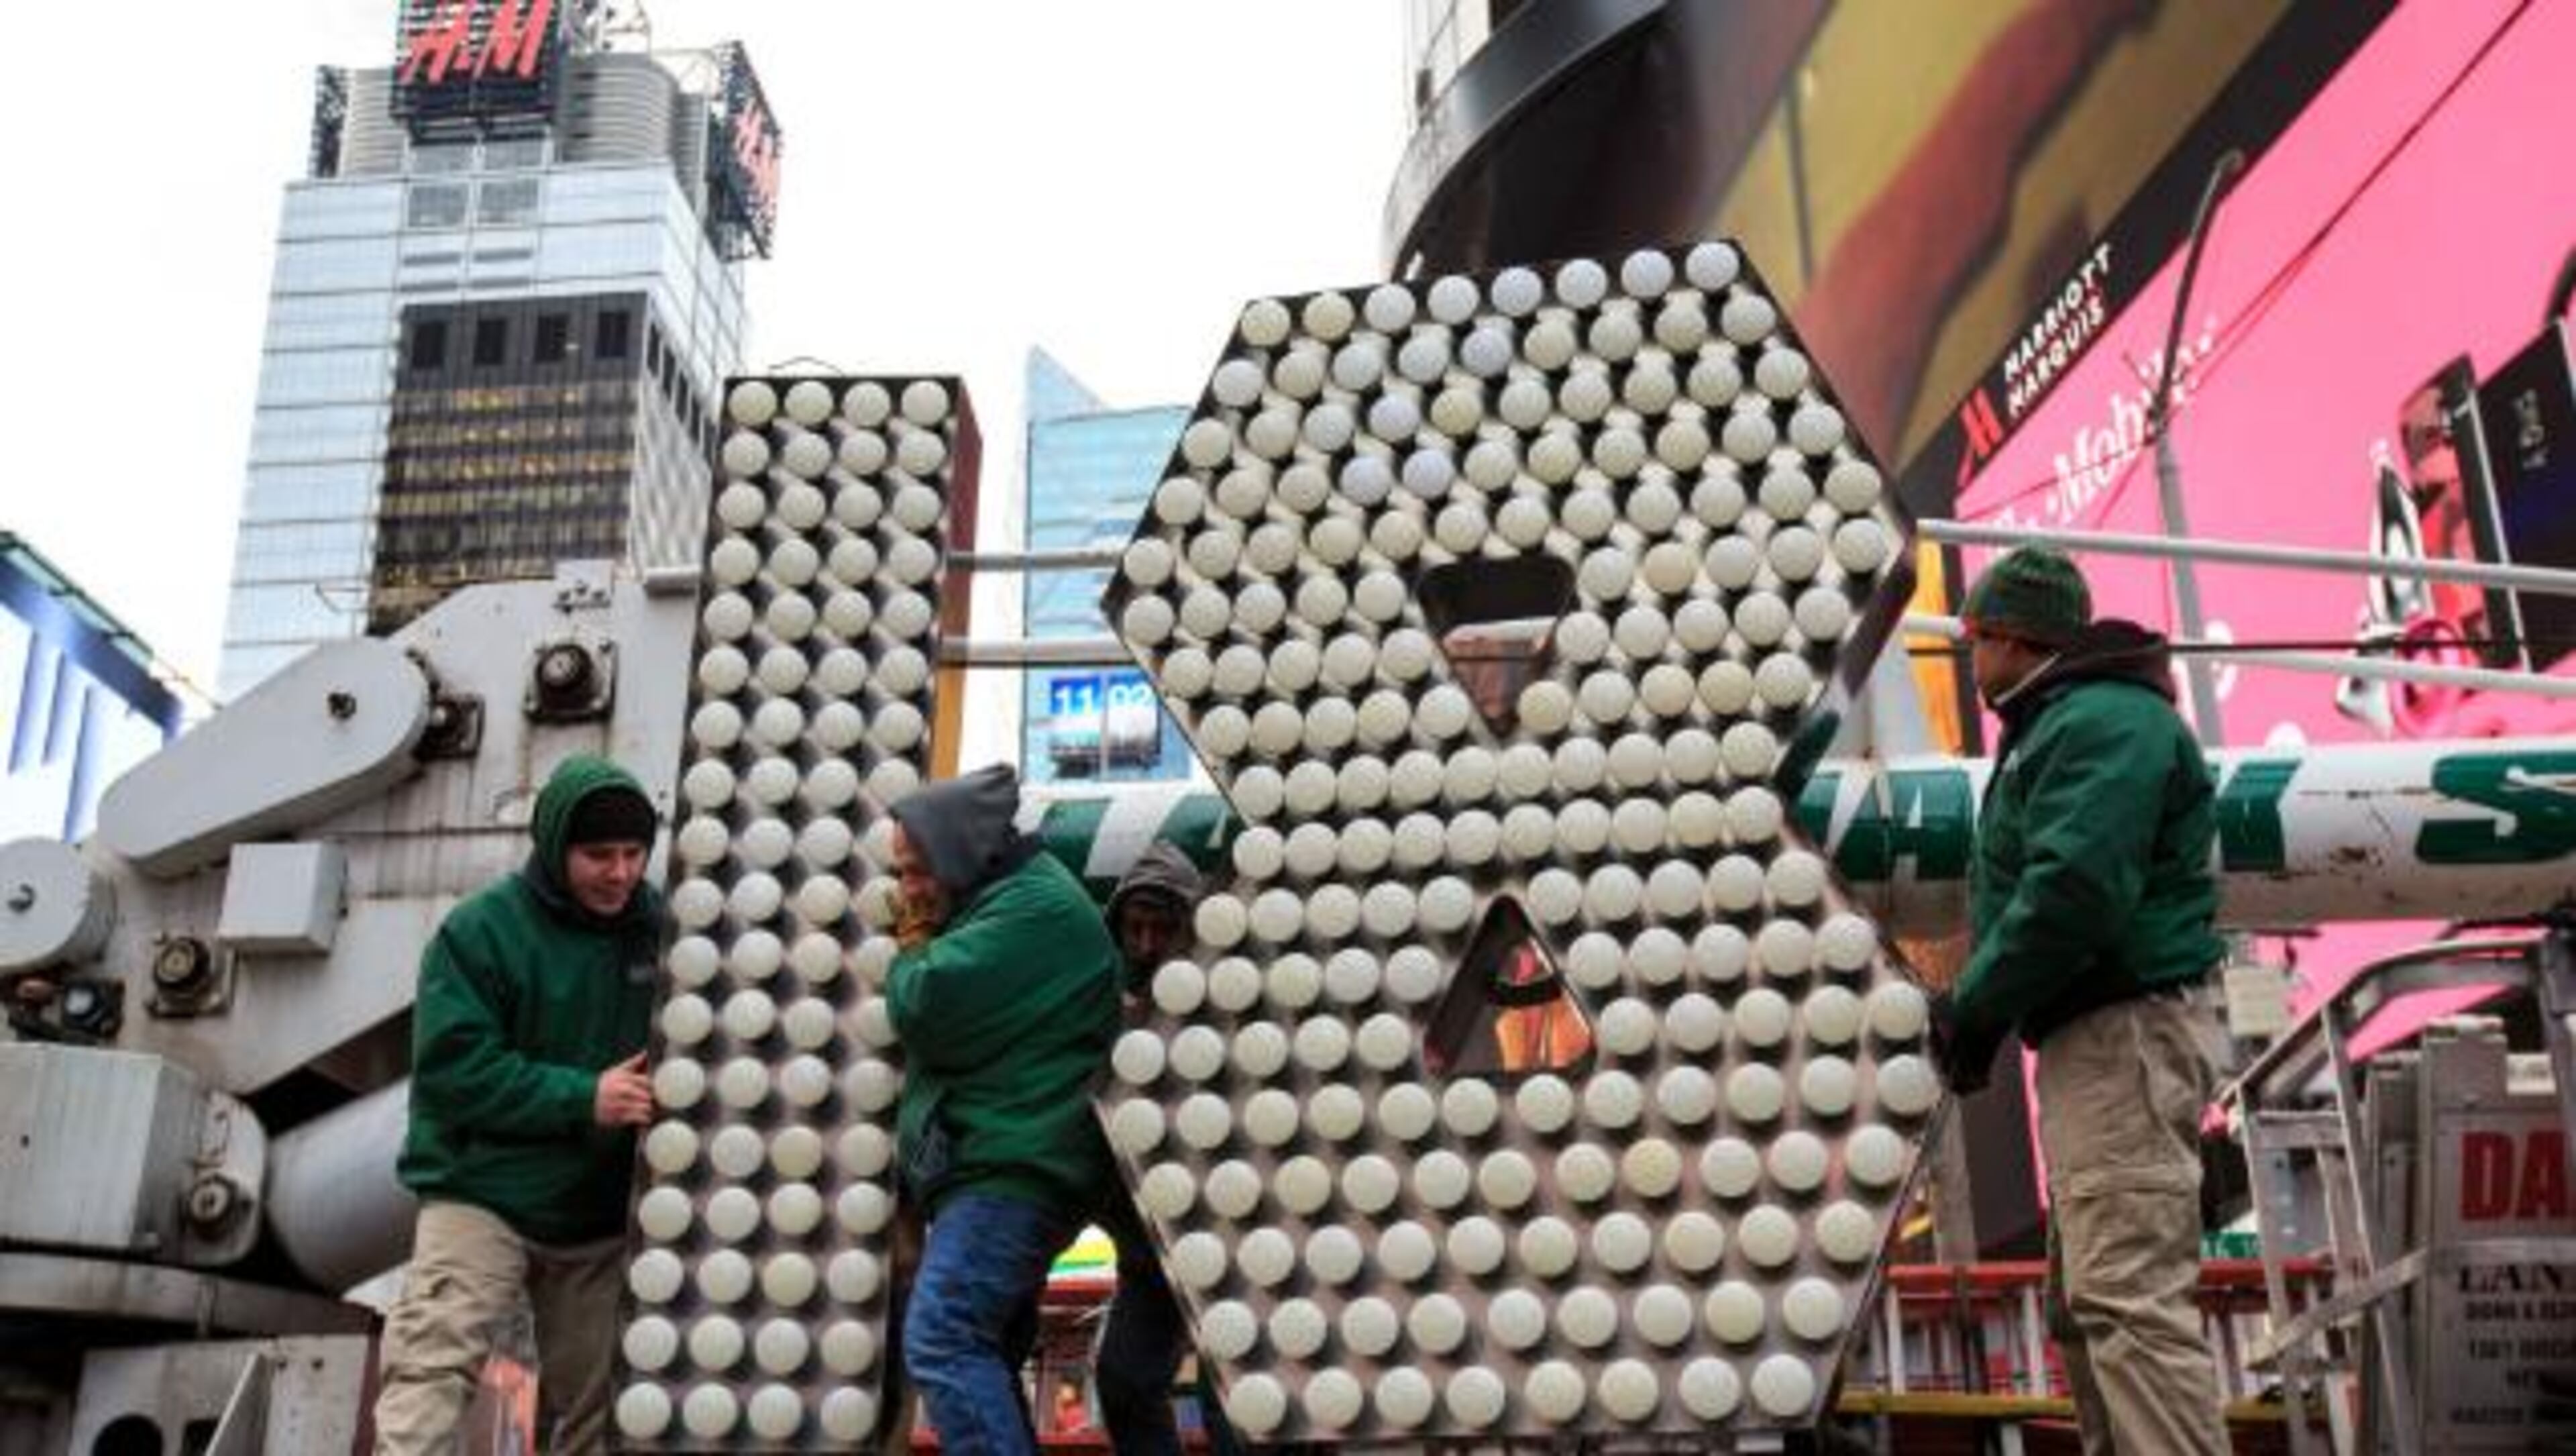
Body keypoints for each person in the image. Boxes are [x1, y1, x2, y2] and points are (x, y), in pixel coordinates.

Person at [1931, 545, 2231, 1456]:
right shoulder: (2070, 720)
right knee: (2091, 1307)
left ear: (2013, 636)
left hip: (2121, 1037)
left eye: (1973, 635)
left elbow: (2074, 891)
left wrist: (1974, 1004)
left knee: (2128, 1303)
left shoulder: (2097, 722)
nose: (1969, 656)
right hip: (2099, 1044)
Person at [374, 754, 663, 1455]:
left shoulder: (660, 925)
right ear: (556, 846)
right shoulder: (480, 931)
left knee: (611, 1409)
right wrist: (582, 1096)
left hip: (594, 1213)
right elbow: (451, 1070)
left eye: (634, 853)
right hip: (482, 1191)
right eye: (599, 855)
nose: (621, 873)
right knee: (430, 1370)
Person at [888, 764, 1123, 1456]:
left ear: (960, 851)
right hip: (1013, 1157)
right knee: (990, 1344)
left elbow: (925, 1004)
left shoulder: (1032, 911)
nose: (909, 891)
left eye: (916, 871)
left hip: (1016, 1167)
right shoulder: (1013, 897)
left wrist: (908, 948)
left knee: (943, 1333)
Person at [1087, 841, 1246, 1456]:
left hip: (1233, 1237)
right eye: (1136, 927)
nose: (1148, 945)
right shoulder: (1109, 1012)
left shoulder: (1231, 1001)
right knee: (1124, 1380)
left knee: (1235, 1398)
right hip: (1152, 1246)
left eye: (1163, 928)